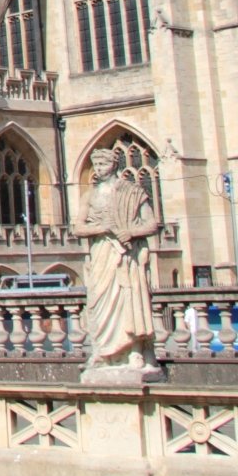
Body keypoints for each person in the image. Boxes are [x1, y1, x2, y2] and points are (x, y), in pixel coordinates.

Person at [74, 147, 162, 382]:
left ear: (113, 165)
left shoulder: (132, 192)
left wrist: (130, 232)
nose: (98, 170)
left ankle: (134, 350)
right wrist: (102, 227)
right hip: (102, 253)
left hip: (126, 256)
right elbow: (78, 228)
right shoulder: (89, 196)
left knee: (129, 300)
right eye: (96, 166)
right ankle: (104, 351)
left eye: (102, 165)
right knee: (99, 301)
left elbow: (152, 224)